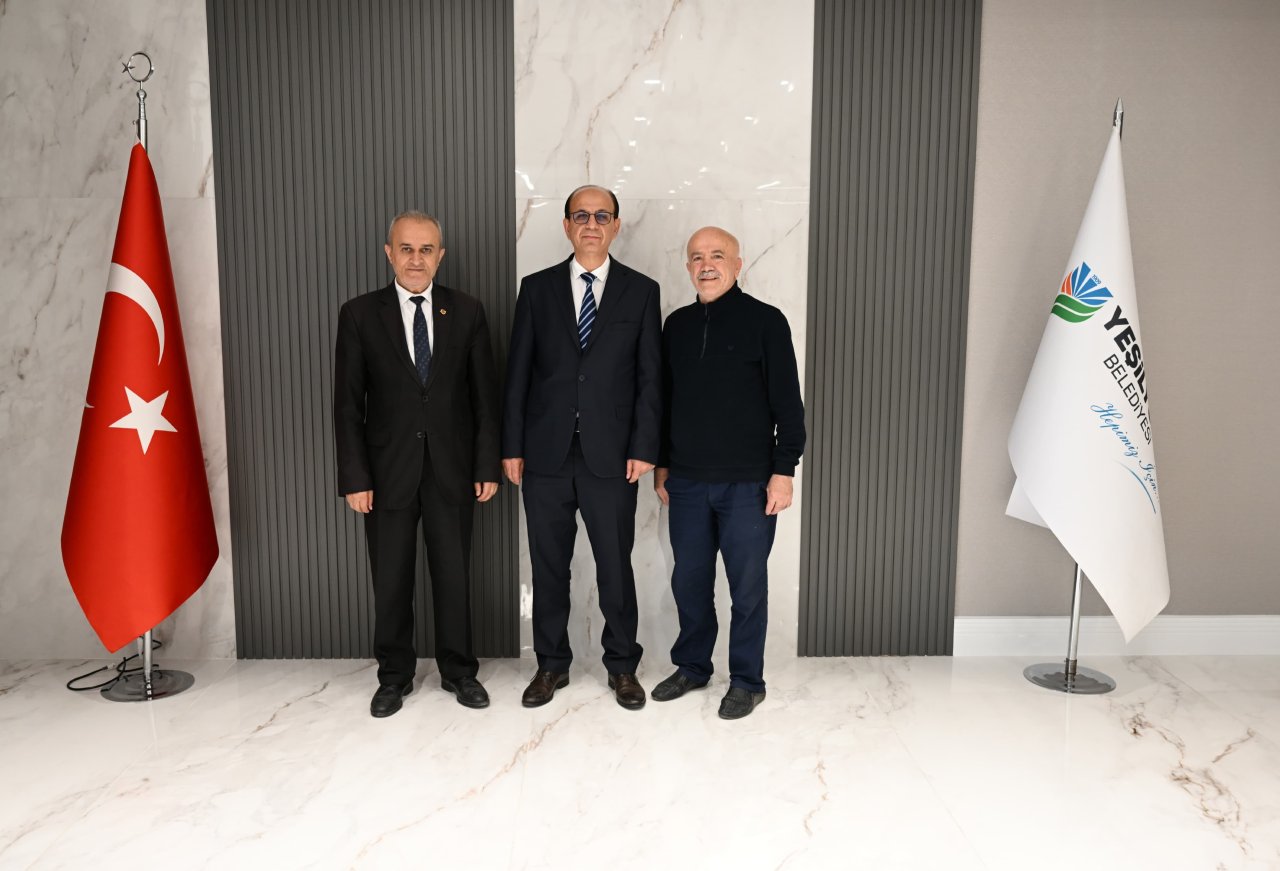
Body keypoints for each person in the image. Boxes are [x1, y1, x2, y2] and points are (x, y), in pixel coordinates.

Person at [334, 210, 500, 718]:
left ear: (440, 256)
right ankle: (394, 677)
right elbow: (347, 405)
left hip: (453, 471)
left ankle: (459, 672)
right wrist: (355, 477)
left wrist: (486, 466)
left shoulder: (467, 311)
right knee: (391, 580)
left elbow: (484, 400)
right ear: (389, 253)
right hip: (386, 475)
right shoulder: (360, 314)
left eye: (426, 249)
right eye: (406, 248)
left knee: (453, 576)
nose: (415, 259)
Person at [502, 185, 662, 710]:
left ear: (616, 225)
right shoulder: (536, 288)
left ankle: (622, 666)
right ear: (567, 225)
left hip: (612, 456)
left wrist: (644, 446)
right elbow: (518, 373)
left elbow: (650, 378)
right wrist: (511, 446)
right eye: (581, 215)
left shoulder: (642, 291)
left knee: (615, 564)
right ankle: (551, 664)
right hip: (544, 454)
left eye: (601, 215)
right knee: (549, 566)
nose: (591, 224)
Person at [652, 226, 805, 720]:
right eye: (697, 257)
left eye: (717, 256)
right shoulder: (675, 325)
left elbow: (789, 406)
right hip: (686, 483)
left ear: (738, 265)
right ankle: (693, 666)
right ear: (687, 267)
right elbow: (664, 404)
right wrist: (663, 466)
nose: (706, 265)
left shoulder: (766, 321)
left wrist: (784, 471)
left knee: (747, 587)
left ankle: (746, 681)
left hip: (749, 484)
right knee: (690, 582)